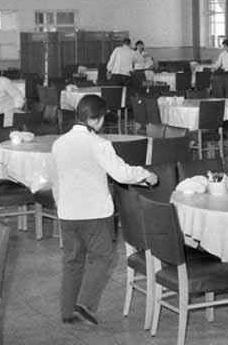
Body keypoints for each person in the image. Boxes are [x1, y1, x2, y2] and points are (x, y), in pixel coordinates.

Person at [51, 94, 158, 325]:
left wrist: (61, 204)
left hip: (67, 212)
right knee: (103, 258)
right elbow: (121, 173)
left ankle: (67, 311)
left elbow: (55, 180)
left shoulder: (59, 143)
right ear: (97, 120)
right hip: (95, 213)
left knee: (72, 261)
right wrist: (146, 175)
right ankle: (85, 303)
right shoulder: (99, 144)